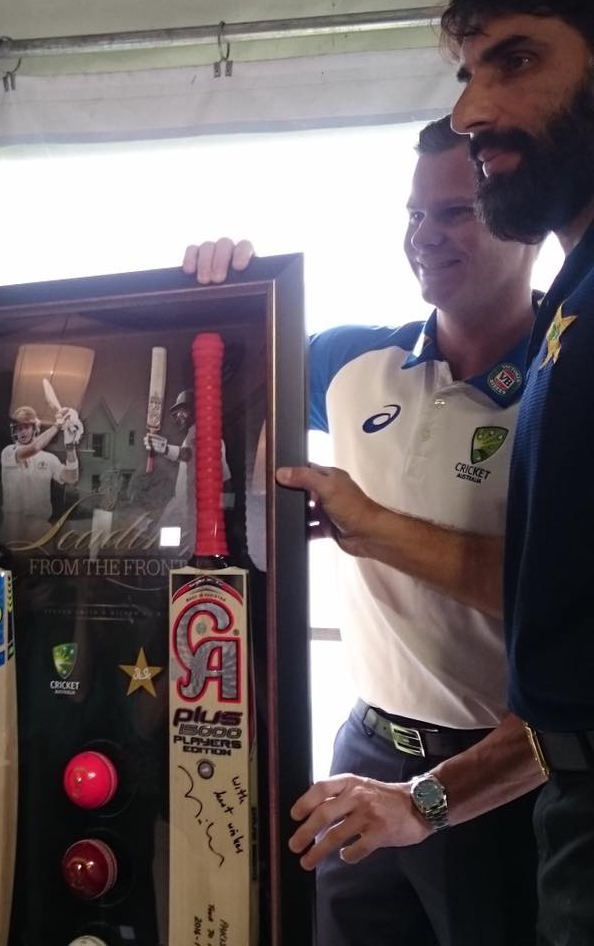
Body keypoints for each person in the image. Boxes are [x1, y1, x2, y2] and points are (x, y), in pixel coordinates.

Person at [187, 115, 546, 945]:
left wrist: (374, 528)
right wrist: (227, 280)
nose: (425, 236)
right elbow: (234, 356)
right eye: (414, 213)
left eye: (454, 212)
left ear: (522, 219)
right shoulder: (355, 363)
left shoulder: (561, 381)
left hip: (503, 770)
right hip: (365, 747)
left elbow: (557, 600)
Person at [144, 388, 232, 548]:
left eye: (182, 410)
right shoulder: (191, 436)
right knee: (164, 547)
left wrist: (164, 448)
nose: (178, 416)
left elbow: (187, 454)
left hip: (195, 515)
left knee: (180, 553)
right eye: (175, 413)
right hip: (180, 509)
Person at [0, 403, 81, 545]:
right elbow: (34, 448)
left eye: (26, 427)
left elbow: (72, 477)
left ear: (34, 428)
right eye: (19, 428)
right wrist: (57, 426)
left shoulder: (48, 458)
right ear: (14, 430)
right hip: (12, 525)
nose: (22, 431)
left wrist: (70, 445)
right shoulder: (8, 452)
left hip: (38, 526)